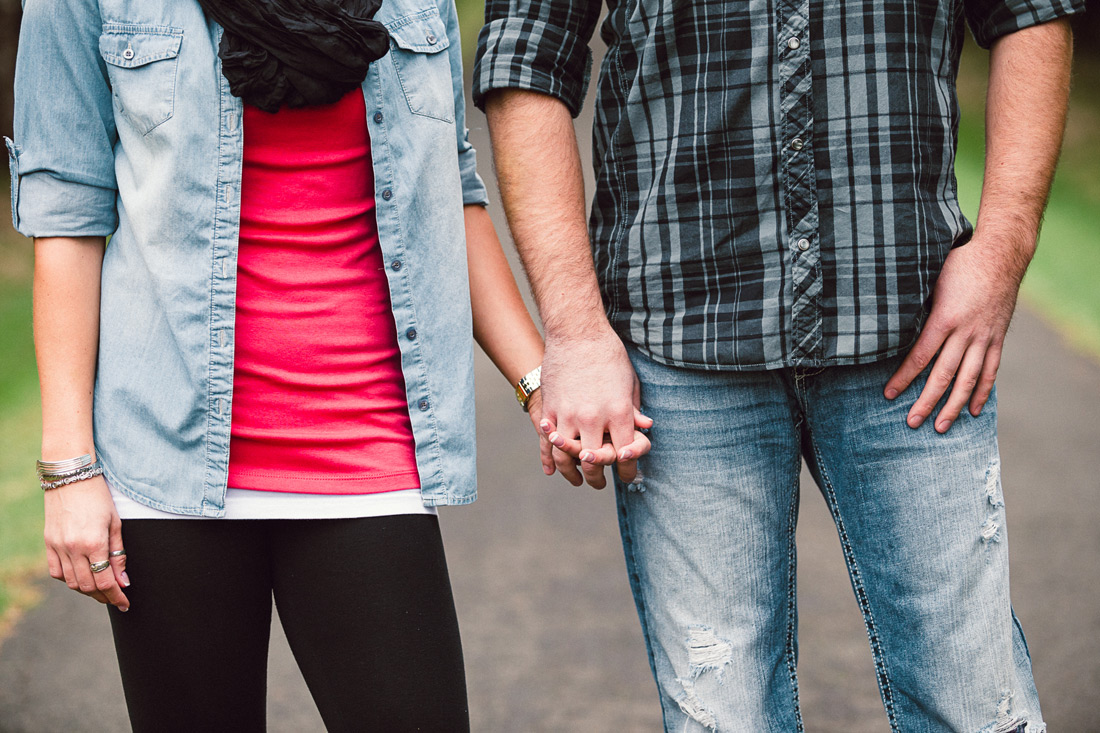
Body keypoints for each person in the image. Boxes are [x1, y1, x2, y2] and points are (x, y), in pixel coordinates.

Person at [474, 0, 1082, 730]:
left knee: (975, 709)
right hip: (681, 340)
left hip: (910, 332)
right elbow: (526, 58)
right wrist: (573, 333)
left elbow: (1032, 15)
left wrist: (1001, 254)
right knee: (722, 716)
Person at [4, 0, 603, 729]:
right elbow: (68, 209)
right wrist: (70, 467)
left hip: (369, 450)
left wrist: (542, 380)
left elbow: (451, 192)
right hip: (171, 463)